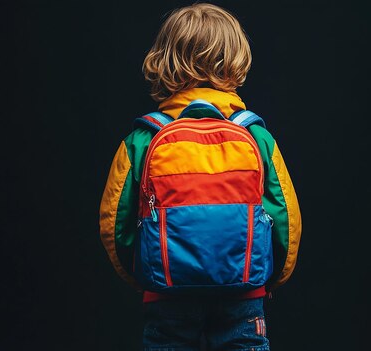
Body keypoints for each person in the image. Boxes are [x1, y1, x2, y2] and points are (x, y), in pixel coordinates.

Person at [99, 3, 301, 350]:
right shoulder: (257, 137)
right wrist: (269, 278)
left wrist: (144, 275)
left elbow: (114, 224)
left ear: (163, 60)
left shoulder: (143, 139)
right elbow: (286, 220)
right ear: (236, 60)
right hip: (243, 293)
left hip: (166, 293)